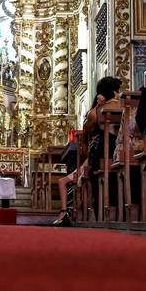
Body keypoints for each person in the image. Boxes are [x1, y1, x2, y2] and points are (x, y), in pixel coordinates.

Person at [53, 76, 122, 226]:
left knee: (87, 176)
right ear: (114, 92)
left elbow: (85, 139)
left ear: (100, 96)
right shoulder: (125, 106)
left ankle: (85, 212)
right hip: (123, 153)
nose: (119, 94)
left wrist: (86, 157)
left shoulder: (95, 112)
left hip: (101, 154)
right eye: (118, 90)